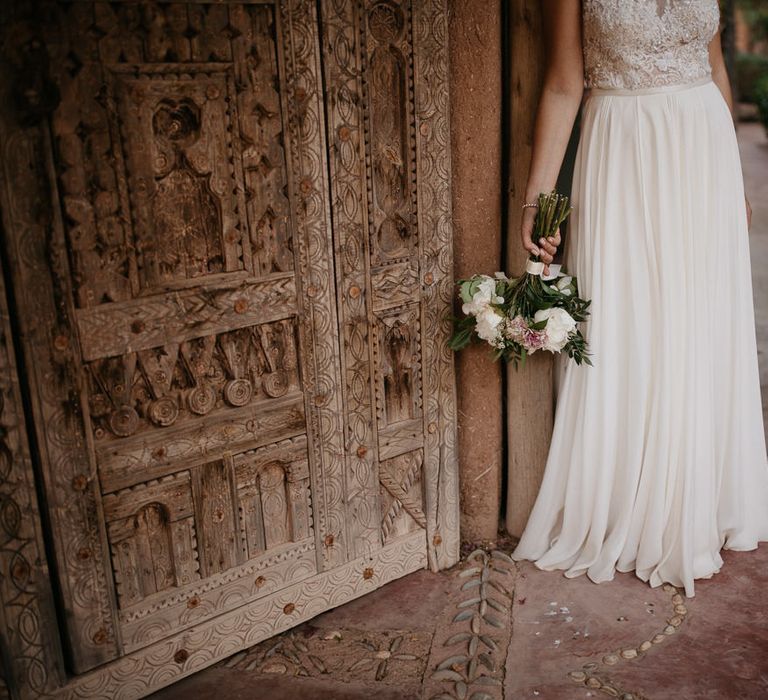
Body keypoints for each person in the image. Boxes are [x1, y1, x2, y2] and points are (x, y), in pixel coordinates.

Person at [510, 0, 768, 599]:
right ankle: (628, 494)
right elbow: (562, 82)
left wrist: (732, 179)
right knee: (629, 321)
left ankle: (699, 493)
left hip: (701, 149)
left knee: (699, 321)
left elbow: (714, 63)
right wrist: (538, 197)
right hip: (623, 149)